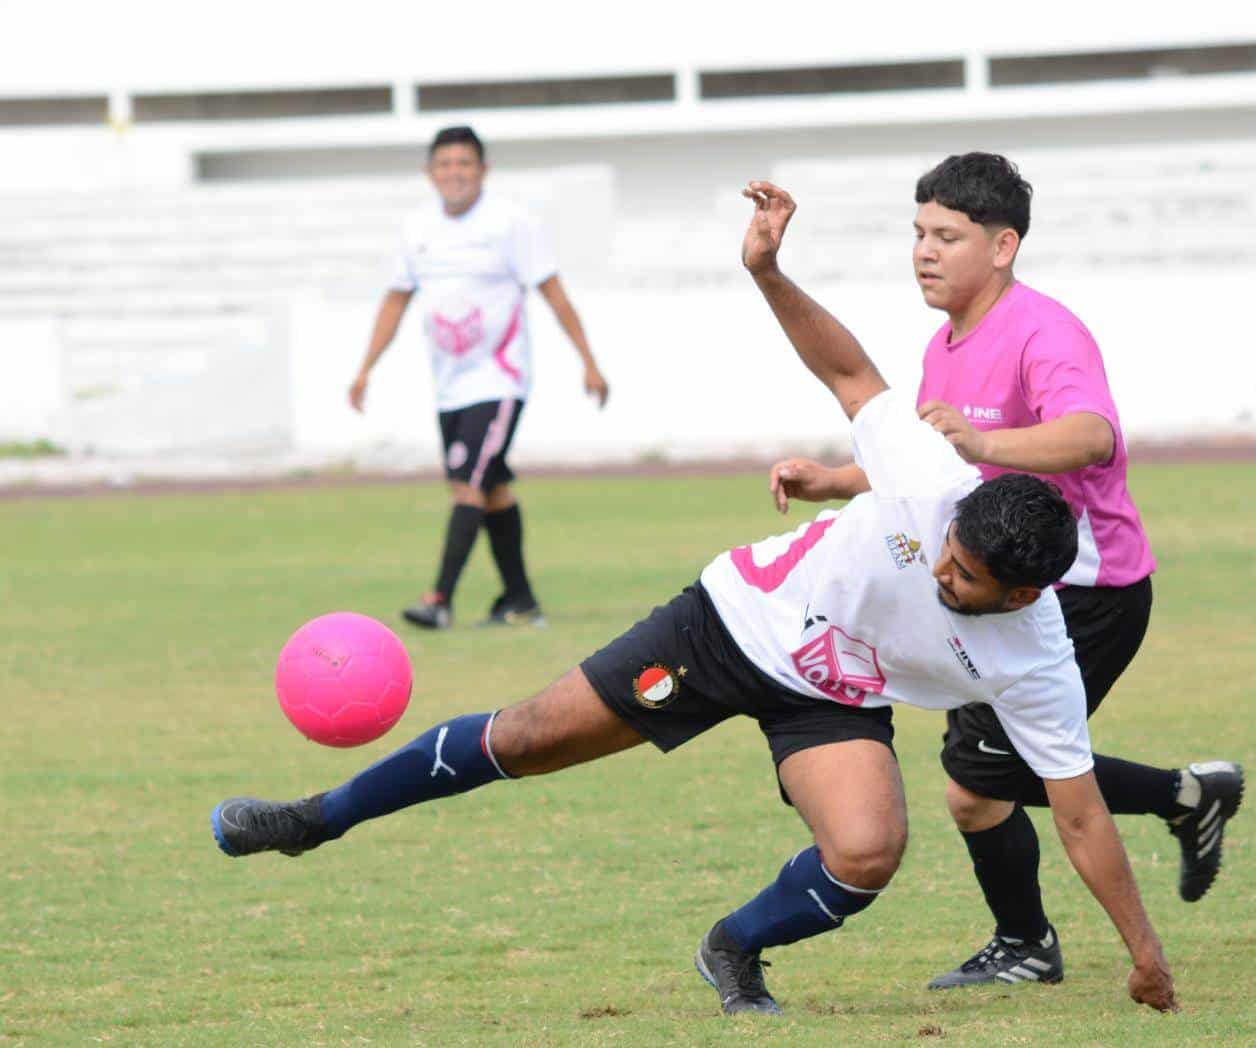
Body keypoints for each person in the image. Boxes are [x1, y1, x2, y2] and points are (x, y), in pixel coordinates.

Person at [211, 181, 1178, 1019]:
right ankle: (313, 819)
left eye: (965, 581)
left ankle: (734, 945)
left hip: (833, 690)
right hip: (734, 623)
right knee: (526, 740)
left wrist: (1144, 952)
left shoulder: (1037, 658)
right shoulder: (935, 484)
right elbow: (845, 369)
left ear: (1023, 594)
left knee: (869, 851)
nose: (941, 574)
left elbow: (1082, 815)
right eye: (946, 555)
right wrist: (766, 272)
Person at [768, 153, 1243, 989]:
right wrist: (835, 479)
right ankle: (1119, 856)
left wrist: (986, 442)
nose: (924, 251)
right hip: (1004, 593)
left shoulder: (1044, 332)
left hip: (1090, 591)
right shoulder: (943, 346)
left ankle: (1147, 831)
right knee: (984, 783)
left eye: (947, 236)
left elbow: (1090, 434)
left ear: (1003, 246)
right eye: (918, 233)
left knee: (980, 779)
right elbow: (931, 467)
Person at [349, 125, 610, 630]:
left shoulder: (511, 224)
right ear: (430, 173)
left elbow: (553, 293)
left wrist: (589, 360)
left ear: (483, 170)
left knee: (468, 484)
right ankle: (520, 600)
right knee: (489, 489)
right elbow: (396, 299)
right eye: (444, 164)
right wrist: (365, 368)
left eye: (464, 163)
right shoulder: (417, 229)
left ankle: (439, 599)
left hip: (500, 379)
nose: (454, 173)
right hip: (450, 385)